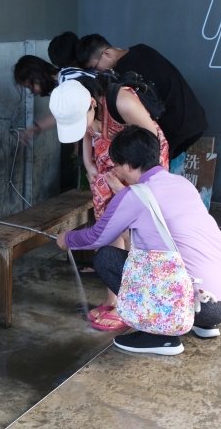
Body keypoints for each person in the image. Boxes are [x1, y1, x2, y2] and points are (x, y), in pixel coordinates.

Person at [58, 125, 221, 354]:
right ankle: (205, 325)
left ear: (128, 165)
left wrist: (67, 238)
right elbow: (152, 207)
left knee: (107, 258)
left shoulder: (133, 196)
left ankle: (160, 335)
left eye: (117, 165)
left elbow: (97, 236)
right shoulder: (183, 184)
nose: (117, 171)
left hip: (202, 302)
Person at [49, 78, 169, 330]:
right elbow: (87, 133)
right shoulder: (83, 110)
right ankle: (113, 297)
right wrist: (89, 161)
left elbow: (152, 144)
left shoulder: (122, 102)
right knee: (108, 221)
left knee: (135, 227)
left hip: (139, 163)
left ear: (92, 103)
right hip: (106, 158)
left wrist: (136, 182)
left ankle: (133, 301)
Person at [76, 34, 207, 158]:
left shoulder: (122, 76)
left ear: (107, 54)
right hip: (194, 117)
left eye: (95, 68)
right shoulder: (141, 49)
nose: (96, 73)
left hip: (174, 130)